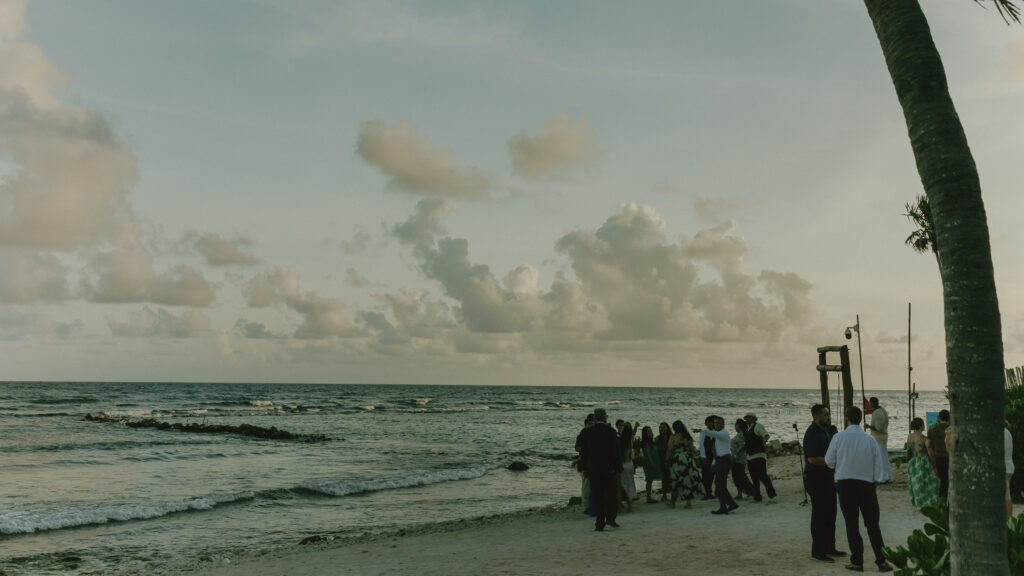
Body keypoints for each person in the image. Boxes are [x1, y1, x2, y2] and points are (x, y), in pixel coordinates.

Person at [825, 405, 894, 573]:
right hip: (866, 485)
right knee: (872, 524)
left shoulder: (838, 437)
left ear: (847, 418)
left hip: (845, 484)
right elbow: (878, 464)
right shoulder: (869, 439)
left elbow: (829, 461)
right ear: (861, 419)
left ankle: (857, 561)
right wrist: (876, 480)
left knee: (851, 524)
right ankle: (882, 562)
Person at [804, 404, 845, 563]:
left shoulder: (825, 431)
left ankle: (829, 546)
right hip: (816, 478)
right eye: (825, 415)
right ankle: (818, 550)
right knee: (820, 514)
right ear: (816, 417)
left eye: (828, 414)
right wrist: (831, 463)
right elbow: (813, 459)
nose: (828, 417)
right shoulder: (812, 433)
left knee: (830, 512)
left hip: (827, 477)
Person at [579, 408, 622, 531]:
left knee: (598, 496)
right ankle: (611, 518)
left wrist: (583, 467)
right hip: (608, 469)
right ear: (605, 417)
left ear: (595, 418)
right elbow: (616, 452)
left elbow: (584, 452)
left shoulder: (589, 432)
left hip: (594, 469)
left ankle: (599, 523)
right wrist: (618, 468)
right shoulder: (611, 432)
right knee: (611, 495)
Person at [704, 416, 739, 515]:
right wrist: (713, 463)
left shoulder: (723, 433)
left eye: (719, 423)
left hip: (724, 460)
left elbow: (713, 433)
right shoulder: (717, 435)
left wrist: (701, 431)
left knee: (720, 485)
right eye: (715, 423)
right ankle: (730, 504)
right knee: (719, 485)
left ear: (723, 424)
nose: (716, 425)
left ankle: (724, 507)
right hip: (720, 459)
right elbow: (716, 451)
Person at [665, 419, 701, 509]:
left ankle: (673, 502)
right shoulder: (687, 436)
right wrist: (693, 459)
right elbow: (692, 450)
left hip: (677, 460)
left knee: (675, 480)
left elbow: (670, 450)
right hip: (687, 459)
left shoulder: (673, 437)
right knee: (687, 480)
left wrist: (666, 460)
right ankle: (688, 503)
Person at [905, 417, 939, 509]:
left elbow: (908, 451)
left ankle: (917, 502)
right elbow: (929, 452)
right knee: (928, 482)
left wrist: (908, 463)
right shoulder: (924, 438)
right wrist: (934, 463)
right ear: (921, 426)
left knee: (915, 482)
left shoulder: (909, 436)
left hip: (913, 461)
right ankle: (927, 502)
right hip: (923, 461)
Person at [744, 412, 777, 502]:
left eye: (749, 418)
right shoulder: (748, 428)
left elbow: (766, 435)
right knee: (754, 477)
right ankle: (757, 496)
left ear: (754, 419)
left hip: (758, 455)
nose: (747, 419)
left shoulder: (758, 426)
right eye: (746, 418)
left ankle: (772, 494)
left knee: (762, 476)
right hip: (750, 456)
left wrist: (764, 440)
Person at [866, 397, 893, 483]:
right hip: (883, 437)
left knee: (880, 459)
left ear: (873, 403)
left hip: (878, 438)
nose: (869, 405)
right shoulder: (882, 410)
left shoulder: (877, 413)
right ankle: (887, 476)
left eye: (870, 403)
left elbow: (879, 428)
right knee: (884, 458)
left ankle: (883, 477)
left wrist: (868, 426)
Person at [574, 414, 595, 515]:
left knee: (588, 486)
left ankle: (589, 505)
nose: (592, 425)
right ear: (586, 424)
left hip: (589, 463)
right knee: (586, 486)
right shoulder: (583, 434)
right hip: (584, 464)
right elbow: (577, 447)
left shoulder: (592, 434)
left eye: (593, 423)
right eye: (590, 423)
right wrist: (585, 449)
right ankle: (587, 506)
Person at [926, 409, 951, 498]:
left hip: (939, 457)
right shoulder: (951, 429)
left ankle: (942, 499)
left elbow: (928, 445)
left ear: (939, 418)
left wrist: (931, 456)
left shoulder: (932, 429)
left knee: (943, 480)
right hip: (951, 457)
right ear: (949, 418)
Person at [731, 419, 755, 499]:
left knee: (739, 476)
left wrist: (736, 453)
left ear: (739, 426)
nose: (735, 427)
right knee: (740, 476)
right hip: (738, 457)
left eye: (736, 425)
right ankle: (746, 492)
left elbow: (744, 446)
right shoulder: (741, 434)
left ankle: (746, 492)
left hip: (738, 458)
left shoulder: (742, 435)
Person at [639, 426, 662, 503]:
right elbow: (648, 454)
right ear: (645, 433)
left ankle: (649, 497)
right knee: (649, 480)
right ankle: (648, 497)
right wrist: (652, 463)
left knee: (650, 480)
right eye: (648, 431)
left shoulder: (650, 441)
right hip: (649, 462)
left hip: (652, 461)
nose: (650, 432)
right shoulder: (645, 442)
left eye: (650, 430)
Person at [618, 422, 637, 512]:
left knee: (621, 485)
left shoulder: (619, 441)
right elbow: (632, 456)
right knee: (629, 485)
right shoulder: (630, 442)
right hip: (629, 464)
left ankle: (619, 504)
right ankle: (630, 506)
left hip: (622, 465)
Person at [698, 416, 716, 500]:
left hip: (715, 457)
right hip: (706, 456)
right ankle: (707, 493)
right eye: (708, 422)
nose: (710, 424)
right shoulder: (704, 433)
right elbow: (701, 445)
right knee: (705, 476)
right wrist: (703, 457)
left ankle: (714, 492)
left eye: (711, 422)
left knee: (713, 475)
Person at [655, 422, 672, 501]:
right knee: (664, 478)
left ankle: (673, 494)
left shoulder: (672, 437)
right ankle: (664, 495)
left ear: (668, 428)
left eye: (664, 427)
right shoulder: (658, 438)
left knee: (672, 477)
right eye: (660, 427)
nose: (662, 429)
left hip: (671, 459)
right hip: (661, 459)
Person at [1007, 422, 1016, 518]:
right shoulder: (1008, 432)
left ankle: (1009, 519)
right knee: (1007, 493)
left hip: (1003, 467)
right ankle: (1009, 518)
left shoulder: (998, 433)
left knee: (1006, 495)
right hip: (1009, 466)